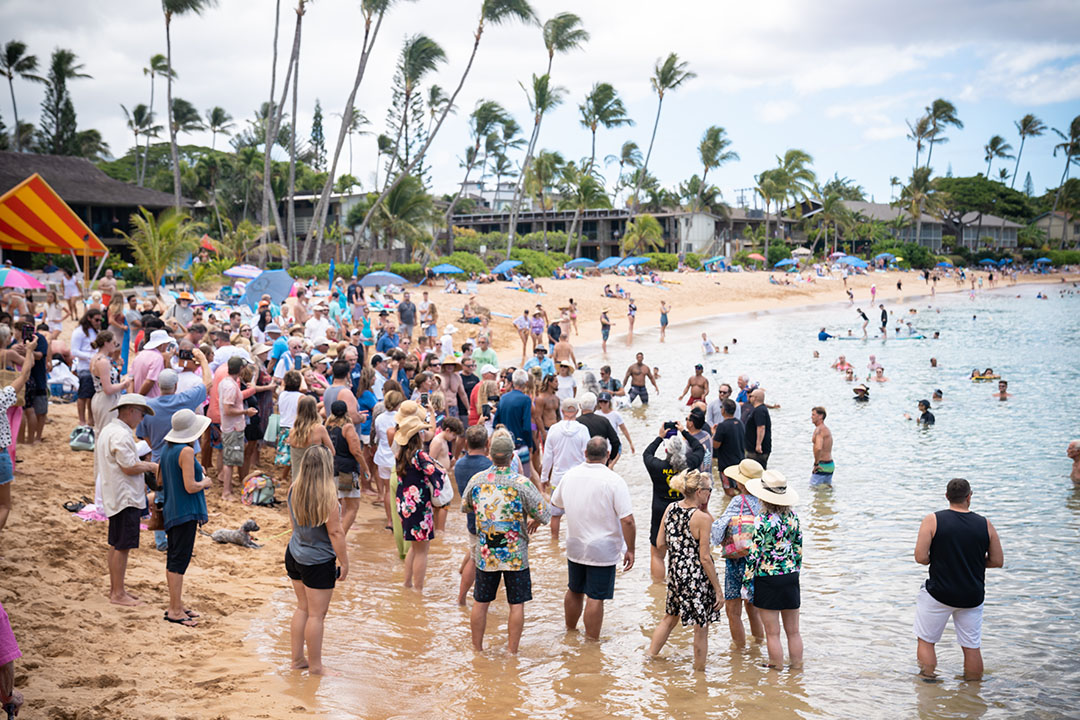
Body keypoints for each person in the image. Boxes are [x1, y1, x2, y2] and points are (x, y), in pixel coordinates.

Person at [461, 431, 550, 653]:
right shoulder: (522, 483)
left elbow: (466, 507)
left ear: (490, 454)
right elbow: (545, 515)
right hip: (515, 552)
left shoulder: (477, 480)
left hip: (486, 551)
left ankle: (477, 650)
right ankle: (512, 653)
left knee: (481, 602)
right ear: (512, 457)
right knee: (516, 604)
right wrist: (532, 519)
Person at [913, 478, 1003, 681]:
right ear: (969, 496)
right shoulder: (985, 523)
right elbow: (997, 560)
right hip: (972, 595)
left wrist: (941, 558)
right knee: (971, 646)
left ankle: (928, 681)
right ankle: (972, 689)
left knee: (926, 641)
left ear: (947, 497)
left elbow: (920, 557)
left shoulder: (932, 520)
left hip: (939, 593)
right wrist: (974, 563)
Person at [552, 437, 635, 639]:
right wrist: (631, 549)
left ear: (585, 453)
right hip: (602, 548)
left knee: (574, 589)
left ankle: (570, 632)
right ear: (608, 455)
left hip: (575, 543)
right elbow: (628, 520)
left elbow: (557, 504)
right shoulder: (614, 480)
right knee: (596, 596)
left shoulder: (570, 475)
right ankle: (591, 643)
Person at [647, 469, 723, 670]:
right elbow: (705, 558)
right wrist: (718, 589)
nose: (709, 494)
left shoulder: (670, 508)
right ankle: (699, 674)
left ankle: (649, 657)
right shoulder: (701, 518)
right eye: (708, 490)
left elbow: (660, 543)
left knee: (670, 618)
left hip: (675, 573)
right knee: (701, 626)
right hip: (696, 576)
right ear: (699, 491)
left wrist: (679, 549)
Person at [285, 445, 348, 676]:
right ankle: (316, 667)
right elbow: (336, 533)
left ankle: (297, 660)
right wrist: (345, 561)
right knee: (316, 615)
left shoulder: (294, 488)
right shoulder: (327, 496)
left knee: (302, 607)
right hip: (317, 560)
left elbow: (293, 524)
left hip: (294, 552)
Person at [97, 394, 158, 606]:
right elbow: (128, 467)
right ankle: (117, 593)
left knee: (116, 544)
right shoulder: (120, 435)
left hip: (116, 493)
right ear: (131, 411)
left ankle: (117, 589)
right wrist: (151, 466)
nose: (141, 419)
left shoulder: (110, 430)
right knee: (122, 546)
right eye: (141, 414)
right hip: (125, 496)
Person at [743, 469, 803, 669]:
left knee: (773, 632)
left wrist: (746, 584)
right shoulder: (793, 517)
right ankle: (797, 669)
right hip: (790, 576)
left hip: (768, 578)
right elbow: (798, 549)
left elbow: (754, 555)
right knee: (793, 631)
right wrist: (794, 572)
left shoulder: (762, 521)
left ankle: (776, 668)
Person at [158, 409, 212, 627]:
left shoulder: (167, 449)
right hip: (184, 512)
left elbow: (162, 479)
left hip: (173, 510)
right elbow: (191, 487)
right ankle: (175, 609)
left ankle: (176, 604)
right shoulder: (186, 452)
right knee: (179, 561)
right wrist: (205, 482)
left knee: (175, 559)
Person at [710, 459, 765, 647]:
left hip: (737, 560)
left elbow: (717, 532)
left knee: (733, 612)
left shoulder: (738, 501)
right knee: (753, 610)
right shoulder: (765, 501)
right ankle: (758, 646)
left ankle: (739, 655)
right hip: (757, 562)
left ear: (741, 482)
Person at [644, 422, 705, 583]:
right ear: (683, 449)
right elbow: (700, 448)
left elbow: (646, 454)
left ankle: (658, 587)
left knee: (657, 553)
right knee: (684, 550)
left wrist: (659, 437)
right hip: (685, 510)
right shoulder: (689, 464)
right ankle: (682, 581)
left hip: (660, 509)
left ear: (666, 450)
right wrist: (684, 431)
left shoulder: (656, 466)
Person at [395, 411, 445, 591]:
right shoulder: (420, 456)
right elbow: (438, 475)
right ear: (418, 436)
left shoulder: (400, 453)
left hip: (404, 503)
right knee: (422, 550)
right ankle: (418, 590)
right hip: (419, 506)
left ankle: (407, 584)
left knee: (414, 546)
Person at [540, 397, 590, 536]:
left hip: (558, 479)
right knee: (579, 516)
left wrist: (544, 478)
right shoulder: (583, 430)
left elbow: (548, 457)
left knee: (555, 515)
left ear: (561, 411)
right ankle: (577, 542)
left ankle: (554, 543)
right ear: (577, 411)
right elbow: (587, 455)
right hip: (578, 479)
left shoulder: (554, 429)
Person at [454, 425, 492, 606]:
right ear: (487, 443)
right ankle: (465, 598)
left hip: (471, 518)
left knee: (475, 553)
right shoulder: (489, 466)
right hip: (490, 519)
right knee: (478, 561)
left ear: (466, 442)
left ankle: (463, 598)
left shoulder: (459, 464)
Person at [0, 341, 33, 535]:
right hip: (0, 455)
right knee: (4, 505)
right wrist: (29, 350)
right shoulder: (2, 396)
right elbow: (24, 375)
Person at [326, 400, 365, 534]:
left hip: (330, 468)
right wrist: (365, 468)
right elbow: (356, 451)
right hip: (346, 470)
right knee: (352, 506)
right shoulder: (347, 427)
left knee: (334, 503)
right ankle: (341, 535)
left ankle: (332, 534)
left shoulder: (326, 426)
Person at [492, 369, 535, 470]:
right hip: (520, 443)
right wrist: (530, 445)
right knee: (524, 474)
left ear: (513, 382)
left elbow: (496, 422)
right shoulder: (526, 399)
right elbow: (526, 426)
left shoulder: (503, 398)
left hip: (503, 443)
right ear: (526, 383)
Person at [71, 309, 101, 426]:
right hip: (84, 366)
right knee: (83, 395)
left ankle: (91, 419)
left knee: (92, 396)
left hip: (95, 367)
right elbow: (74, 351)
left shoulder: (94, 331)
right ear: (89, 318)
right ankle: (82, 420)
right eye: (96, 319)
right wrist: (90, 356)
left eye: (100, 320)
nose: (99, 322)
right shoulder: (79, 332)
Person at [576, 392, 621, 466]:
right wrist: (610, 459)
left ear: (580, 406)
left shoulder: (576, 422)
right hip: (601, 461)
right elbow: (615, 442)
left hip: (581, 463)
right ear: (595, 406)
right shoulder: (603, 421)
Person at [712, 398, 745, 497]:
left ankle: (733, 507)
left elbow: (715, 445)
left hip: (726, 465)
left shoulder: (722, 426)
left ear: (723, 410)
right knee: (740, 488)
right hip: (739, 462)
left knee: (729, 492)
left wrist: (714, 433)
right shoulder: (740, 423)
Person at [744, 388, 772, 468]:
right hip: (752, 448)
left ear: (755, 398)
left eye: (751, 396)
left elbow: (761, 427)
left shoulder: (759, 410)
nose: (749, 397)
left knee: (755, 472)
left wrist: (758, 444)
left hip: (757, 451)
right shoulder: (758, 409)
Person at [810, 406, 834, 486]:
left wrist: (816, 464)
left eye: (813, 415)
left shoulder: (819, 430)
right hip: (830, 465)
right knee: (827, 490)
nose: (811, 417)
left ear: (820, 416)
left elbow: (818, 447)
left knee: (814, 490)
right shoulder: (826, 429)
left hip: (822, 465)